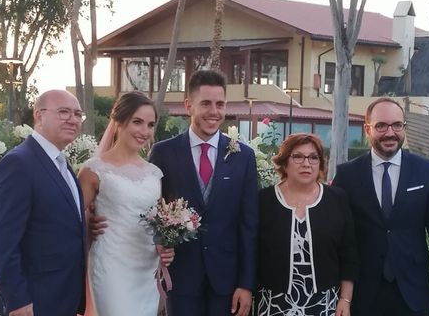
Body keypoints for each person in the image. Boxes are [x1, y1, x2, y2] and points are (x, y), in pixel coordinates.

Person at [148, 69, 259, 316]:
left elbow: (249, 225)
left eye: (220, 104)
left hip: (227, 280)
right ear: (189, 105)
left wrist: (246, 284)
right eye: (206, 103)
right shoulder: (163, 153)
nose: (214, 111)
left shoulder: (244, 157)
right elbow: (150, 210)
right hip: (181, 276)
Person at [333, 97, 429, 316]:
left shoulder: (426, 172)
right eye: (381, 125)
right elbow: (338, 237)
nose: (390, 133)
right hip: (363, 292)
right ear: (367, 129)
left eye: (397, 125)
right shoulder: (347, 174)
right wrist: (342, 292)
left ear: (404, 127)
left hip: (413, 291)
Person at [0, 89, 86, 316]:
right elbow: (3, 241)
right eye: (63, 112)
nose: (73, 119)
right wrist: (17, 301)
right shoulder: (18, 163)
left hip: (63, 296)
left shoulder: (62, 164)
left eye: (77, 114)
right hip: (34, 300)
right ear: (39, 116)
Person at [78, 91, 173, 316]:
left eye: (150, 125)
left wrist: (167, 246)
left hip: (146, 268)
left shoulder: (155, 174)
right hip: (111, 267)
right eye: (137, 122)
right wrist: (88, 225)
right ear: (119, 121)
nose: (144, 131)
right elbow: (70, 219)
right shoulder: (94, 170)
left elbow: (160, 224)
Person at [256, 133, 359, 316]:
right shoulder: (263, 201)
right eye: (298, 157)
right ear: (284, 162)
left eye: (313, 157)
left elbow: (349, 254)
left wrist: (345, 299)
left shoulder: (337, 200)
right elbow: (251, 253)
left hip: (325, 304)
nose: (306, 163)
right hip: (275, 304)